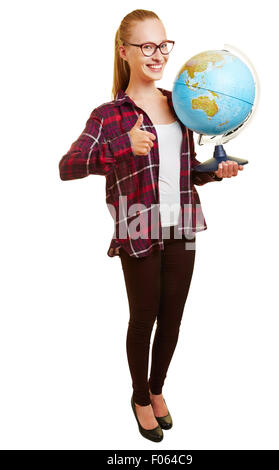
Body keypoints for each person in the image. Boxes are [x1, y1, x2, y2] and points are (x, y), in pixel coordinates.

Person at [59, 9, 244, 442]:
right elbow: (67, 166)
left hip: (183, 225)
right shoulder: (109, 115)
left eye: (163, 45)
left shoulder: (178, 103)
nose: (157, 54)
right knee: (143, 318)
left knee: (173, 318)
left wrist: (214, 172)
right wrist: (123, 146)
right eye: (146, 46)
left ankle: (158, 389)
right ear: (124, 52)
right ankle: (139, 396)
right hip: (138, 226)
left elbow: (180, 172)